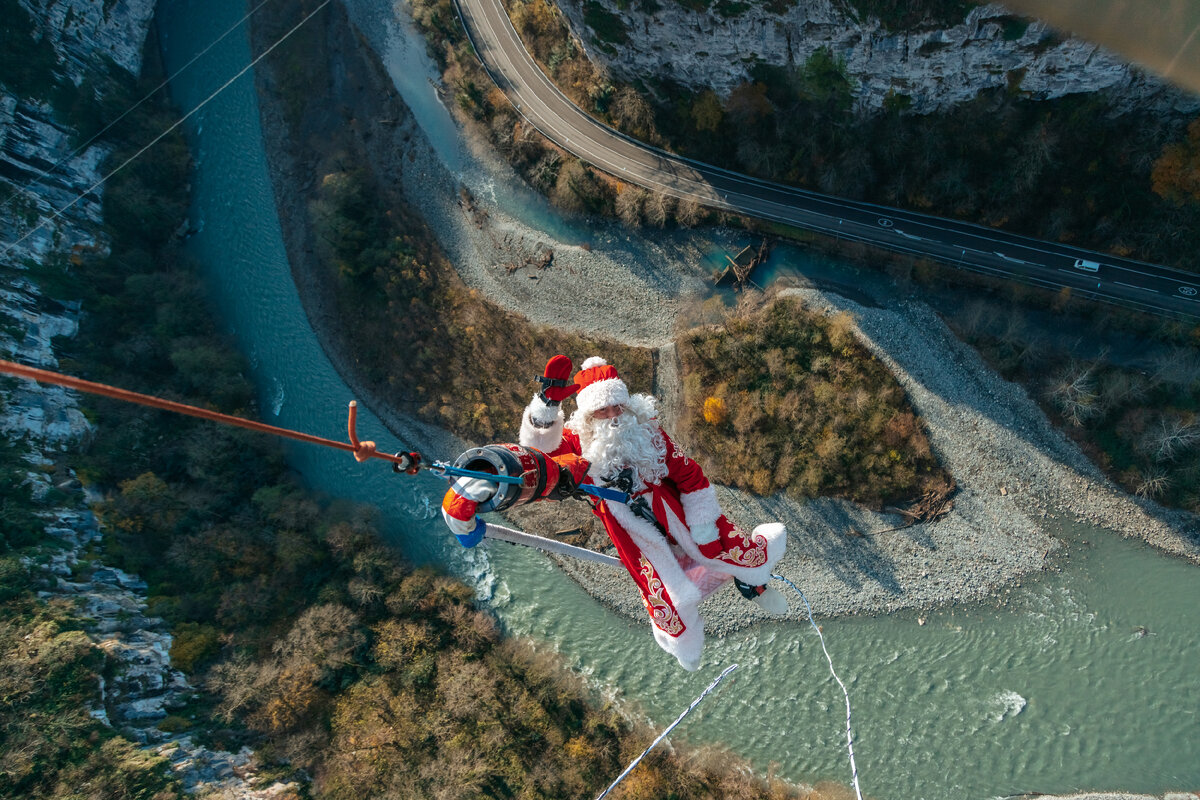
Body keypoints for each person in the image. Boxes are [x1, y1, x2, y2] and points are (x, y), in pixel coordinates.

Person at [441, 355, 788, 671]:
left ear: (628, 406)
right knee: (666, 601)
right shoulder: (580, 445)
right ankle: (686, 644)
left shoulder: (650, 434)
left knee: (732, 551)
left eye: (617, 408)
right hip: (633, 532)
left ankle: (751, 582)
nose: (613, 418)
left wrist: (702, 525)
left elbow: (690, 475)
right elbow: (538, 460)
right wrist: (545, 409)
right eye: (602, 412)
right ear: (588, 418)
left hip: (678, 513)